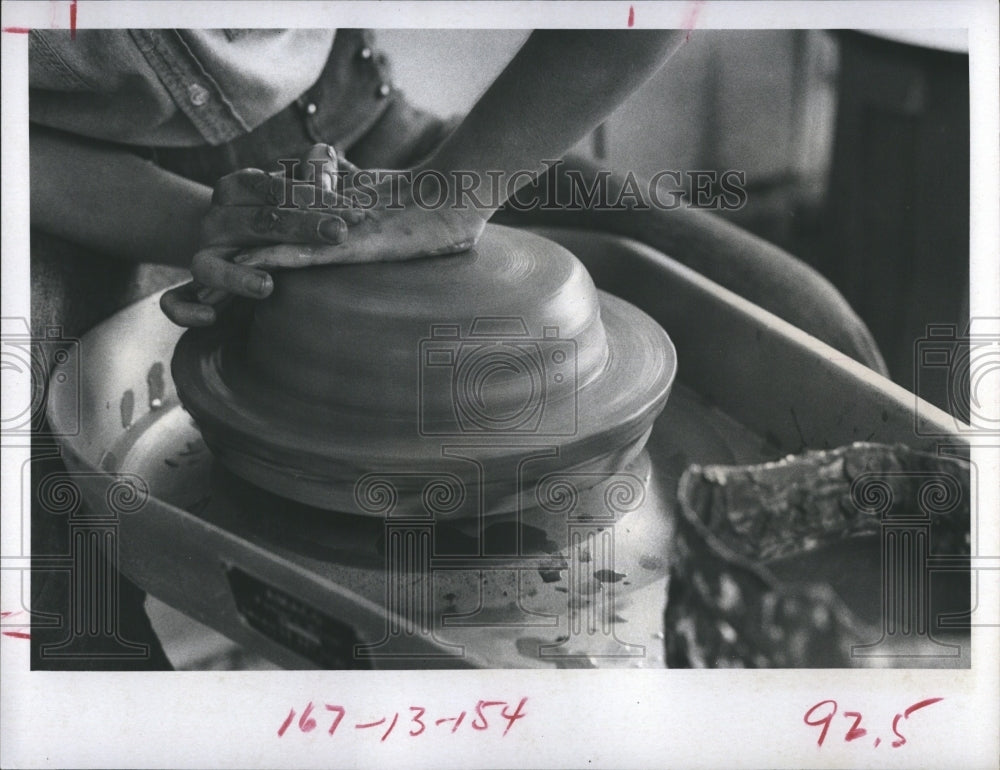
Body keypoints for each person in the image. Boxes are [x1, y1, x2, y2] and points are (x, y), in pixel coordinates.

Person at [28, 28, 884, 669]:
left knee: (811, 328)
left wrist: (456, 188)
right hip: (74, 182)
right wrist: (196, 225)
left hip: (346, 134)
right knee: (48, 595)